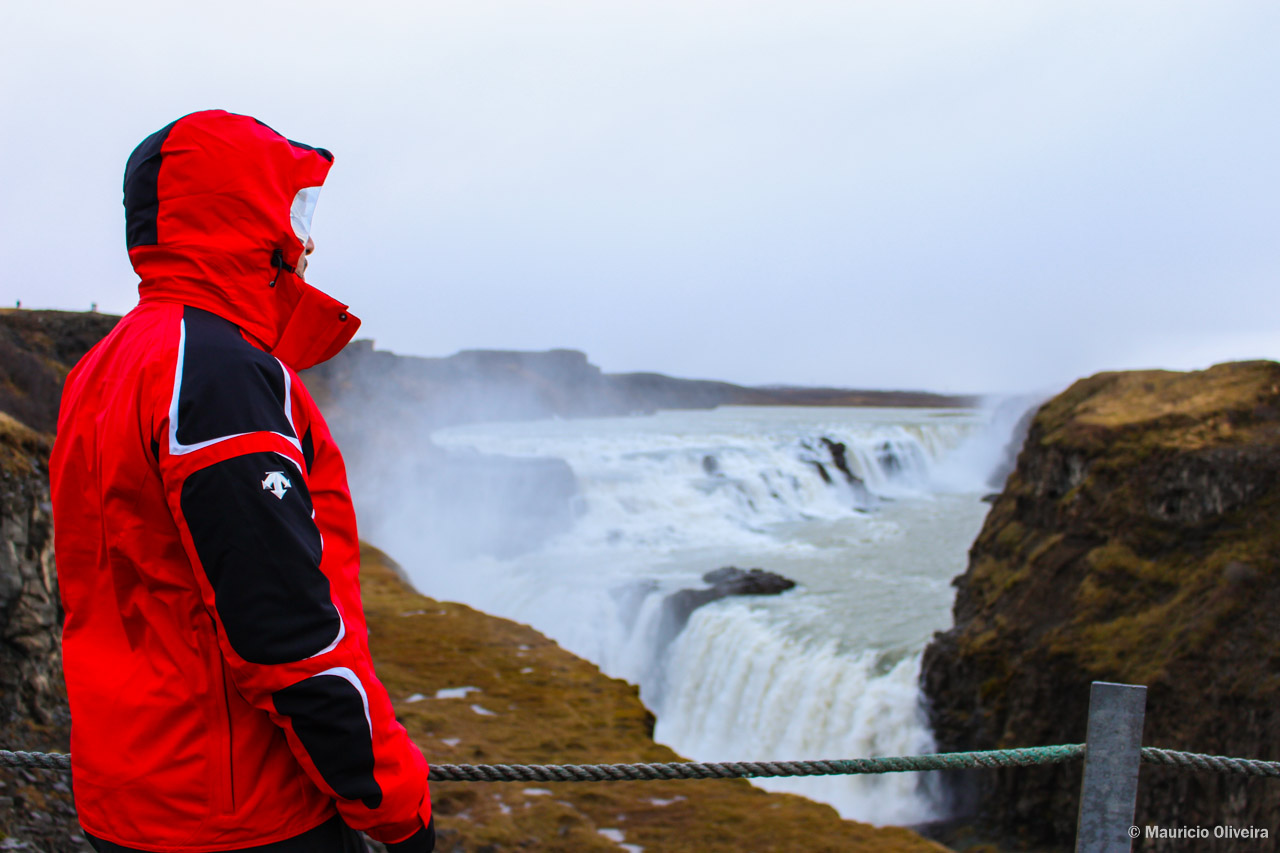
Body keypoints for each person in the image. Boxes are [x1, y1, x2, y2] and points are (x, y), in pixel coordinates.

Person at [50, 110, 434, 852]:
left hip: (128, 791)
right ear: (240, 216)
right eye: (293, 211)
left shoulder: (105, 364)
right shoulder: (220, 375)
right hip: (238, 811)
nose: (309, 240)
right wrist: (392, 800)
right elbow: (287, 633)